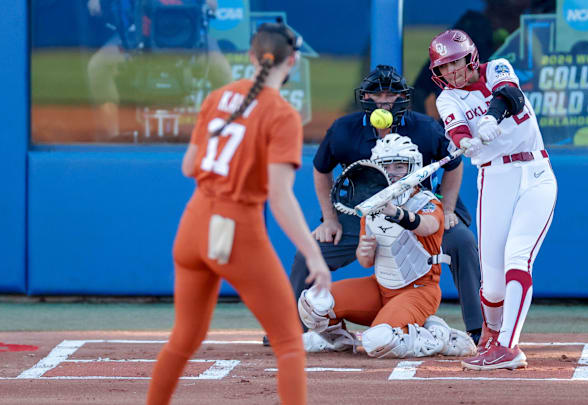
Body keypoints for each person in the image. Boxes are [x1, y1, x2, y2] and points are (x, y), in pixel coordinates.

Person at [146, 22, 331, 405]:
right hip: (236, 228)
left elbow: (188, 167)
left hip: (194, 222)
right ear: (292, 61)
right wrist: (314, 256)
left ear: (251, 57)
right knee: (288, 343)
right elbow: (280, 199)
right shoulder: (281, 115)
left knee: (184, 339)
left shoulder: (218, 96)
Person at [286, 64, 485, 345]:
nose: (384, 101)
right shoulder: (345, 130)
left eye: (391, 94)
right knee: (309, 253)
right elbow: (321, 170)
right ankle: (291, 329)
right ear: (364, 97)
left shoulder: (425, 128)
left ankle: (478, 329)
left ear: (403, 97)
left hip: (419, 212)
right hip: (364, 215)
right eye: (376, 94)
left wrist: (449, 209)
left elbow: (453, 164)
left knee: (462, 241)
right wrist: (329, 219)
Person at [428, 29, 557, 370]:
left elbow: (510, 96)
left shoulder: (497, 67)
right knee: (494, 281)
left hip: (535, 172)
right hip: (493, 178)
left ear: (470, 58)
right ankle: (492, 332)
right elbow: (455, 129)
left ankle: (509, 347)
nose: (451, 71)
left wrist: (488, 118)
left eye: (456, 62)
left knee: (518, 256)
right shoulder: (447, 99)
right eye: (444, 67)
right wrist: (464, 141)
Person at [297, 134, 476, 358]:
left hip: (419, 291)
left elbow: (427, 226)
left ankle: (439, 337)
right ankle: (338, 341)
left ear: (414, 168)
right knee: (313, 303)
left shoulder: (427, 201)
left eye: (400, 166)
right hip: (380, 287)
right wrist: (364, 250)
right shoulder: (371, 207)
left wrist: (396, 213)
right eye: (385, 166)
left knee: (378, 341)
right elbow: (365, 262)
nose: (392, 173)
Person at [87, 0, 232, 139]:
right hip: (138, 36)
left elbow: (212, 6)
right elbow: (94, 6)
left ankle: (225, 134)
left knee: (221, 70)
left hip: (188, 36)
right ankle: (112, 136)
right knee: (98, 67)